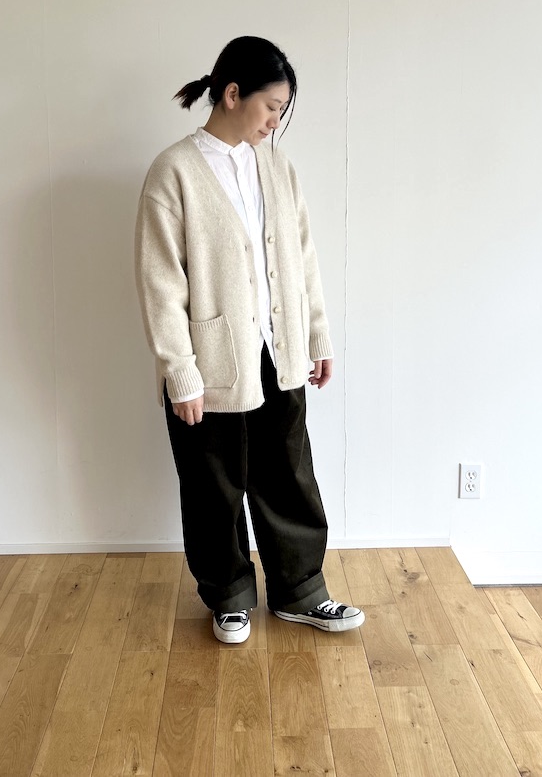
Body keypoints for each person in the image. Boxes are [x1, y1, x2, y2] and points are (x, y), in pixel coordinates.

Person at [134, 35, 364, 643]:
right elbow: (160, 283)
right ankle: (230, 595)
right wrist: (179, 371)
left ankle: (301, 591)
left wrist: (316, 336)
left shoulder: (277, 168)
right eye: (271, 107)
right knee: (212, 483)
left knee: (288, 473)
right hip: (208, 361)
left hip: (277, 350)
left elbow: (302, 259)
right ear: (232, 94)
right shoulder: (174, 172)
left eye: (281, 111)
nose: (275, 122)